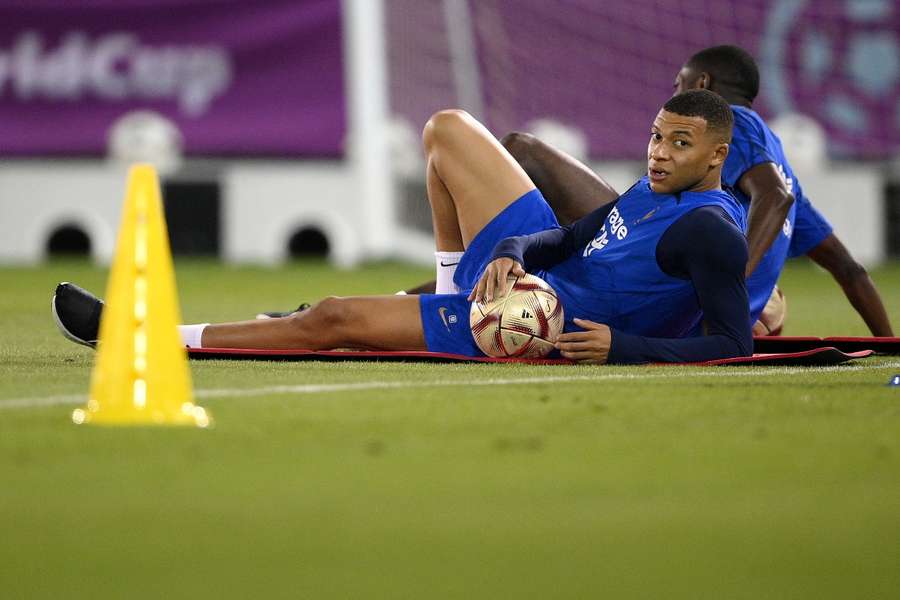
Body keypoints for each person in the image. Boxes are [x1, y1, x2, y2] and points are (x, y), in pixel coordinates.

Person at [53, 90, 752, 365]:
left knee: (328, 318)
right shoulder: (653, 186)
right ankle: (450, 290)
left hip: (533, 321)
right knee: (448, 129)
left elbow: (733, 344)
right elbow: (567, 238)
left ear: (717, 155)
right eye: (657, 136)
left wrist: (618, 347)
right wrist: (510, 248)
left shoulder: (712, 231)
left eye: (679, 143)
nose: (659, 152)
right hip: (525, 277)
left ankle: (139, 335)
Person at [500, 45, 893, 337]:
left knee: (524, 150)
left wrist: (733, 281)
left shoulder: (739, 123)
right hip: (690, 303)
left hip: (661, 274)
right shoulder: (787, 180)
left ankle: (479, 278)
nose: (673, 96)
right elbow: (850, 269)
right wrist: (888, 344)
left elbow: (775, 195)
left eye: (679, 84)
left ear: (702, 84)